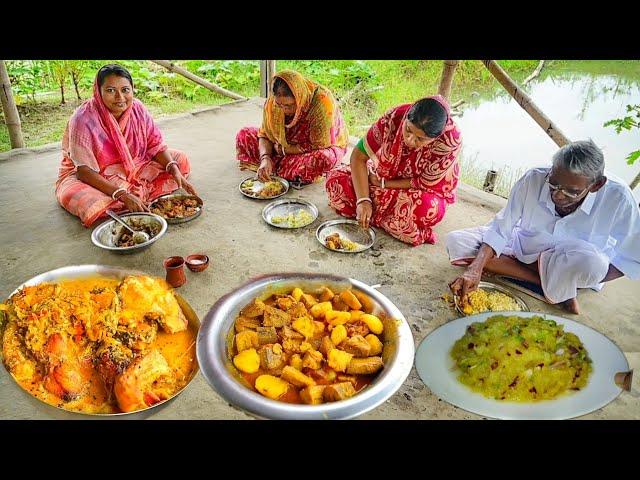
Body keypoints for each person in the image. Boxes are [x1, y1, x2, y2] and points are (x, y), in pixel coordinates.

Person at [446, 139, 640, 314]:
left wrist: (585, 279)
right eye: (553, 184)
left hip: (570, 264)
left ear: (596, 185)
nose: (558, 195)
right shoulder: (534, 178)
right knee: (457, 242)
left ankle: (562, 284)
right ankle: (557, 289)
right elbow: (502, 227)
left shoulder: (619, 198)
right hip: (524, 249)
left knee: (594, 264)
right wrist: (475, 270)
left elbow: (633, 257)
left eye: (571, 192)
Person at [55, 64, 196, 227]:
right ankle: (132, 197)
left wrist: (172, 167)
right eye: (110, 90)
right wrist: (121, 194)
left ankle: (135, 197)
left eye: (125, 90)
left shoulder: (137, 108)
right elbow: (84, 171)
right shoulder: (83, 119)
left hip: (137, 162)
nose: (119, 97)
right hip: (96, 173)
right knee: (83, 199)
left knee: (180, 160)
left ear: (132, 89)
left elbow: (154, 145)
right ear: (98, 91)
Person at [325, 95, 462, 246]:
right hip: (378, 182)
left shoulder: (450, 140)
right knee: (335, 180)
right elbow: (358, 157)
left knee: (428, 207)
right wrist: (363, 200)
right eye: (408, 130)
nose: (410, 140)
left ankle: (376, 214)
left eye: (420, 139)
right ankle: (388, 219)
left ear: (435, 138)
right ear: (406, 118)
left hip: (414, 190)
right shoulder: (395, 116)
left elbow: (423, 182)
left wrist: (384, 184)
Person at [235, 69, 348, 185]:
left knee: (324, 158)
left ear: (299, 98)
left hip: (311, 149)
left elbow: (320, 144)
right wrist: (265, 157)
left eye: (289, 105)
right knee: (244, 135)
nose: (284, 110)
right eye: (280, 105)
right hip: (278, 147)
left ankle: (279, 167)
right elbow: (264, 134)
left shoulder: (321, 101)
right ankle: (279, 168)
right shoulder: (273, 103)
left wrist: (285, 150)